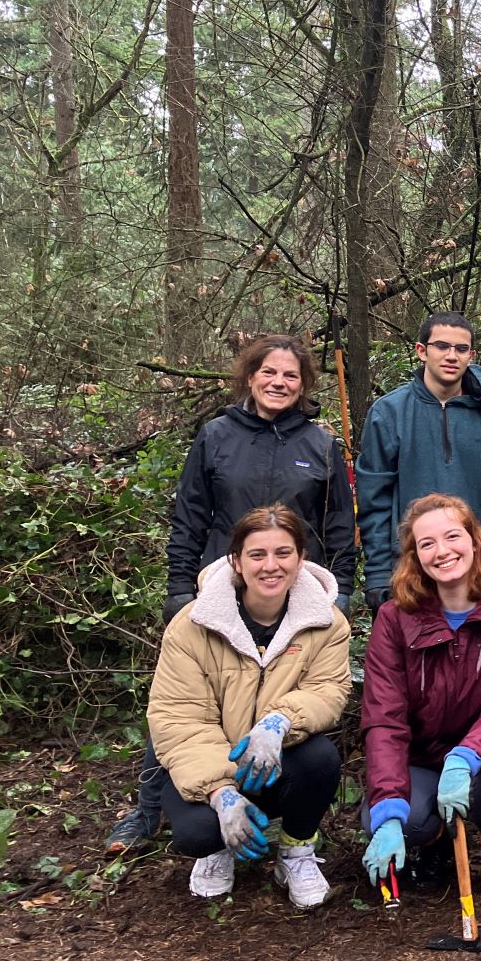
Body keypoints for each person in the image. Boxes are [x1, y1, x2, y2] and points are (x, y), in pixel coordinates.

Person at [107, 334, 356, 855]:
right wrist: (179, 588)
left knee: (277, 696)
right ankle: (149, 810)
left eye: (290, 376)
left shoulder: (319, 444)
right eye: (269, 373)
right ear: (249, 376)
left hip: (290, 588)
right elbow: (190, 516)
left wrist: (342, 592)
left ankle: (279, 807)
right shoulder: (217, 435)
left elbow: (337, 525)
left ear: (304, 384)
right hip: (219, 586)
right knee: (185, 699)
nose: (279, 383)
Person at [146, 505, 350, 908]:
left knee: (321, 760)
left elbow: (328, 690)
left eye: (283, 553)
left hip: (274, 764)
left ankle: (295, 852)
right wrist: (220, 792)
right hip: (207, 764)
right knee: (197, 834)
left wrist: (279, 721)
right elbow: (178, 717)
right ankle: (218, 848)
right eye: (257, 554)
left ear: (300, 559)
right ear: (236, 562)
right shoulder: (192, 625)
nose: (270, 566)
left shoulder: (326, 622)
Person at [359, 494, 481, 909]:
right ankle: (435, 844)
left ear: (474, 541)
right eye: (427, 544)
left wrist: (465, 757)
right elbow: (384, 718)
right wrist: (388, 809)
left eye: (452, 537)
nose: (442, 551)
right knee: (391, 818)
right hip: (422, 757)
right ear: (415, 557)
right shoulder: (393, 619)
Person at [356, 312, 481, 612]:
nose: (451, 356)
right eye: (442, 346)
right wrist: (379, 572)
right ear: (422, 351)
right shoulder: (389, 412)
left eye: (461, 349)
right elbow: (374, 498)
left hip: (478, 562)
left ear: (471, 356)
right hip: (410, 564)